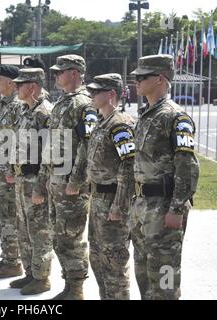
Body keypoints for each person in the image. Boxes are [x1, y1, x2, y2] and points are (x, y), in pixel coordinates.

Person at [130, 54, 200, 300]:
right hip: (142, 207)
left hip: (163, 206)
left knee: (165, 275)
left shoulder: (175, 117)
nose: (136, 81)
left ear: (160, 79)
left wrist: (177, 208)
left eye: (142, 76)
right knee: (143, 273)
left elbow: (188, 166)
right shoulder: (146, 114)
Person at [33, 55, 98, 300]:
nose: (56, 75)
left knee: (70, 237)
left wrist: (77, 180)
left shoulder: (84, 104)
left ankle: (76, 288)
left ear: (74, 73)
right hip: (56, 179)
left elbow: (87, 143)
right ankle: (70, 285)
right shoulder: (62, 102)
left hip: (71, 182)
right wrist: (44, 180)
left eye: (61, 72)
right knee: (59, 236)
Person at [70, 73, 135, 300]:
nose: (91, 95)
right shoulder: (100, 122)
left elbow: (129, 166)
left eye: (96, 92)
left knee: (114, 260)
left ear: (111, 94)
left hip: (111, 201)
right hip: (97, 199)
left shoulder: (120, 125)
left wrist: (119, 205)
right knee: (97, 257)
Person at [6, 68, 54, 295]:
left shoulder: (45, 113)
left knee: (39, 231)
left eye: (20, 84)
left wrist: (40, 186)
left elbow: (49, 153)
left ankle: (41, 277)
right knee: (23, 229)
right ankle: (30, 273)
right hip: (21, 178)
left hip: (35, 180)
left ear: (32, 86)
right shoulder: (27, 110)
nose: (16, 88)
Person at [0, 65, 24, 279]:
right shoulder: (0, 105)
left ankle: (13, 261)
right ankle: (7, 257)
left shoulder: (17, 107)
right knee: (0, 214)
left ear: (11, 83)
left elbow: (19, 142)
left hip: (9, 173)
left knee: (9, 215)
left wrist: (11, 169)